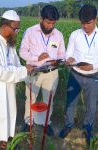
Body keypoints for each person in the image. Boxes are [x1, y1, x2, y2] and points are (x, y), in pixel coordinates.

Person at [0, 10, 33, 150]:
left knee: (7, 118)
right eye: (15, 29)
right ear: (4, 26)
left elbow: (16, 66)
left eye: (18, 29)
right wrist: (23, 71)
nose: (17, 32)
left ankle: (3, 144)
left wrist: (29, 72)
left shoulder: (10, 44)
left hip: (8, 90)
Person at [19, 5, 65, 136]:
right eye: (48, 22)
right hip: (34, 72)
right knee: (30, 98)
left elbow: (62, 53)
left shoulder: (58, 35)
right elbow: (22, 51)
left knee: (48, 99)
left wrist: (59, 60)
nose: (50, 26)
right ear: (41, 19)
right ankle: (28, 122)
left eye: (53, 23)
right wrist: (36, 58)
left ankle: (46, 123)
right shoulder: (30, 32)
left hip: (51, 73)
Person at [59, 4, 98, 145]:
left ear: (96, 19)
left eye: (88, 23)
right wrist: (68, 58)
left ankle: (87, 128)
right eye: (82, 23)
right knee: (70, 102)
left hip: (93, 76)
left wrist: (92, 66)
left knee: (91, 106)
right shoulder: (75, 34)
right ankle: (68, 126)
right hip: (75, 75)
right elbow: (68, 52)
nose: (85, 26)